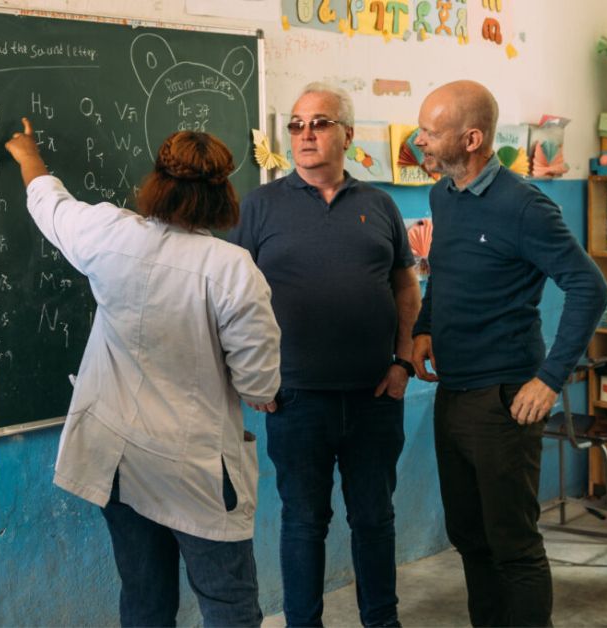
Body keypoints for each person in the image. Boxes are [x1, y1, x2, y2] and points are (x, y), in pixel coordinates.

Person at [6, 119, 281, 627]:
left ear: (156, 182)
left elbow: (50, 204)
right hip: (197, 468)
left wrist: (28, 157)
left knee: (145, 600)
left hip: (121, 461)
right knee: (228, 603)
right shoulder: (233, 269)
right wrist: (259, 393)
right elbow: (258, 383)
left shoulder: (110, 234)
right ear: (223, 194)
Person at [410, 80, 607, 627]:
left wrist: (549, 379)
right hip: (453, 393)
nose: (418, 141)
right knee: (470, 539)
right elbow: (444, 273)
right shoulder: (441, 195)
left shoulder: (525, 207)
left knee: (513, 546)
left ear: (471, 138)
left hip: (504, 402)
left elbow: (590, 287)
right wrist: (426, 325)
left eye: (430, 132)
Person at [228, 82, 420, 628]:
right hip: (295, 398)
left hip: (376, 396)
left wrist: (403, 362)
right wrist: (250, 377)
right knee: (303, 523)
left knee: (375, 520)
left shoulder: (379, 204)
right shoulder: (261, 205)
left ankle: (382, 622)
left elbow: (406, 286)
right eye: (296, 124)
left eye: (319, 123)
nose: (305, 134)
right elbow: (229, 295)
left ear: (347, 135)